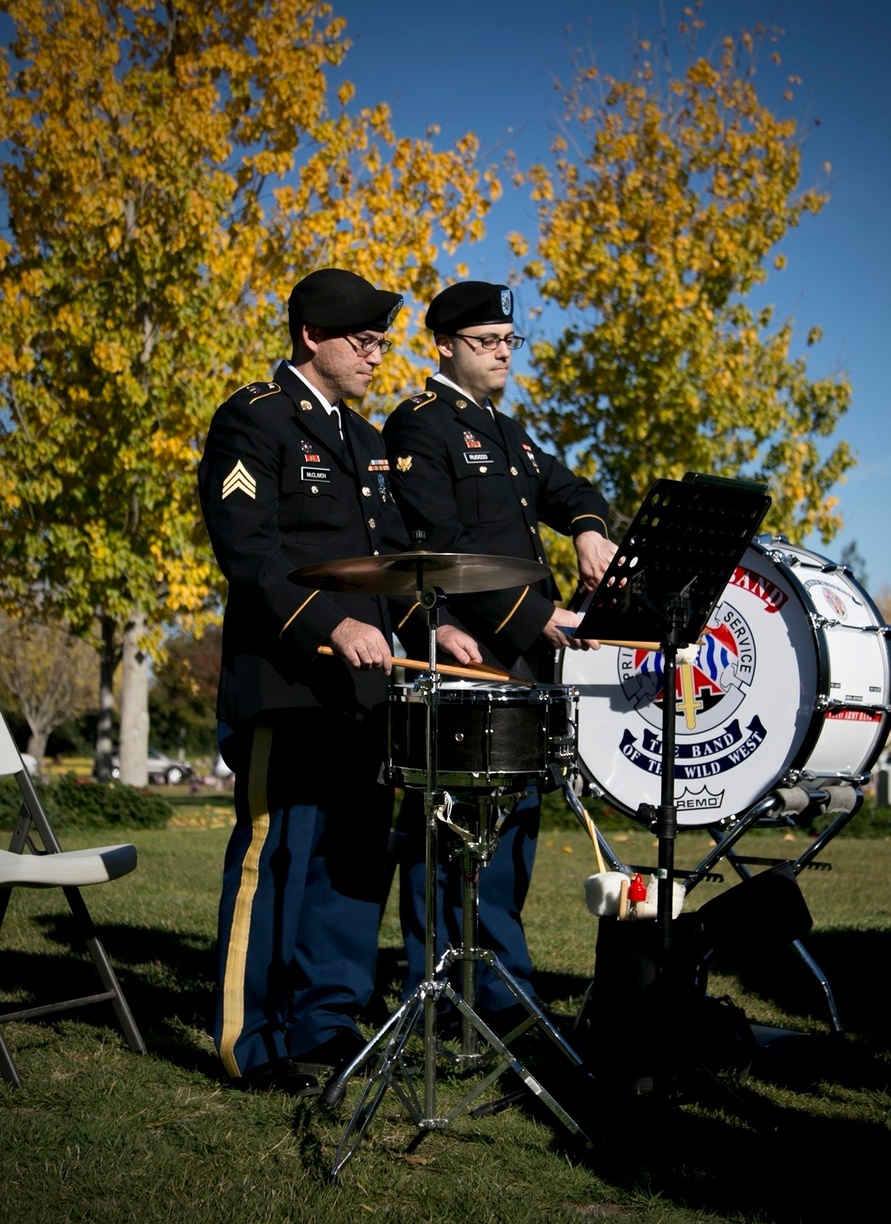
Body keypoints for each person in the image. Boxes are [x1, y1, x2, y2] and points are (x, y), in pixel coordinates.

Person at [198, 268, 475, 1096]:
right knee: (275, 859)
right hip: (286, 682)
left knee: (352, 863)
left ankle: (325, 1024)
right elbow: (249, 552)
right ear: (311, 336)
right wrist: (331, 623)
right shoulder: (253, 418)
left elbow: (393, 564)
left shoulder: (361, 440)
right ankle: (248, 1040)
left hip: (362, 697)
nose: (376, 355)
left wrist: (437, 626)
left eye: (383, 341)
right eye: (362, 340)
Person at [382, 281, 617, 1027]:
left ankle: (498, 985)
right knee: (450, 829)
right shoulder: (419, 426)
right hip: (470, 653)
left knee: (513, 832)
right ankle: (452, 993)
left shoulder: (510, 434)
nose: (504, 353)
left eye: (510, 342)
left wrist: (585, 528)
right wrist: (537, 619)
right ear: (444, 346)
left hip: (523, 661)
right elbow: (450, 547)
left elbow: (571, 487)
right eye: (487, 342)